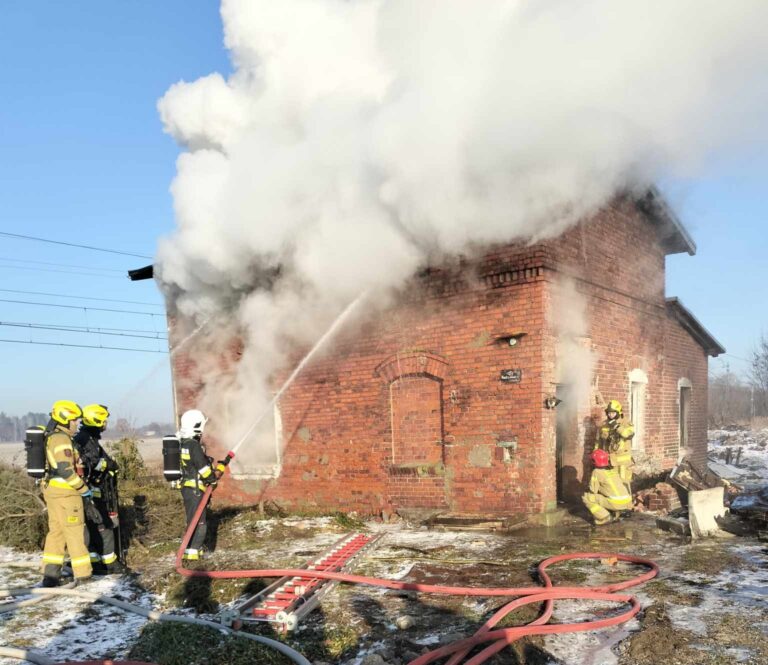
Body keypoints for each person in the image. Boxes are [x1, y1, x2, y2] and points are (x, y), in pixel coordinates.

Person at [40, 400, 93, 587]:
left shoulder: (52, 437)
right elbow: (65, 469)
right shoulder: (61, 439)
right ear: (66, 420)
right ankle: (83, 575)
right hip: (66, 494)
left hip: (53, 492)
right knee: (75, 532)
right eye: (75, 420)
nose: (77, 423)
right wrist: (84, 489)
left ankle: (51, 575)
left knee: (57, 533)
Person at [73, 404, 124, 574]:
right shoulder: (85, 439)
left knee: (93, 527)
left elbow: (103, 459)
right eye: (104, 420)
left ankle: (96, 563)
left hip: (91, 490)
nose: (105, 424)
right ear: (96, 420)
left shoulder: (89, 438)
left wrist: (110, 464)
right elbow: (94, 463)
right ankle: (110, 564)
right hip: (89, 491)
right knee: (104, 526)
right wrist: (108, 465)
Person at [178, 409, 216, 561]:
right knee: (200, 523)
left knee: (192, 519)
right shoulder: (193, 445)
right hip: (195, 490)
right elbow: (202, 467)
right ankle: (193, 554)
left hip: (188, 489)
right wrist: (212, 479)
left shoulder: (183, 444)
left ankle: (191, 551)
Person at [582, 449, 632, 526]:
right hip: (627, 503)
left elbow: (593, 490)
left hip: (616, 503)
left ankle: (605, 516)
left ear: (595, 461)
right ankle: (616, 513)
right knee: (607, 494)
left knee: (587, 497)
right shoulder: (613, 470)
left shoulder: (597, 472)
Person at [595, 399, 635, 484]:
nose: (610, 415)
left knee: (623, 484)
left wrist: (616, 426)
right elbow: (599, 441)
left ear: (618, 412)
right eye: (609, 413)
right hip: (609, 461)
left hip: (622, 463)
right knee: (611, 484)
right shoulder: (604, 424)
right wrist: (595, 453)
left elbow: (627, 434)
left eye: (613, 413)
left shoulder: (626, 422)